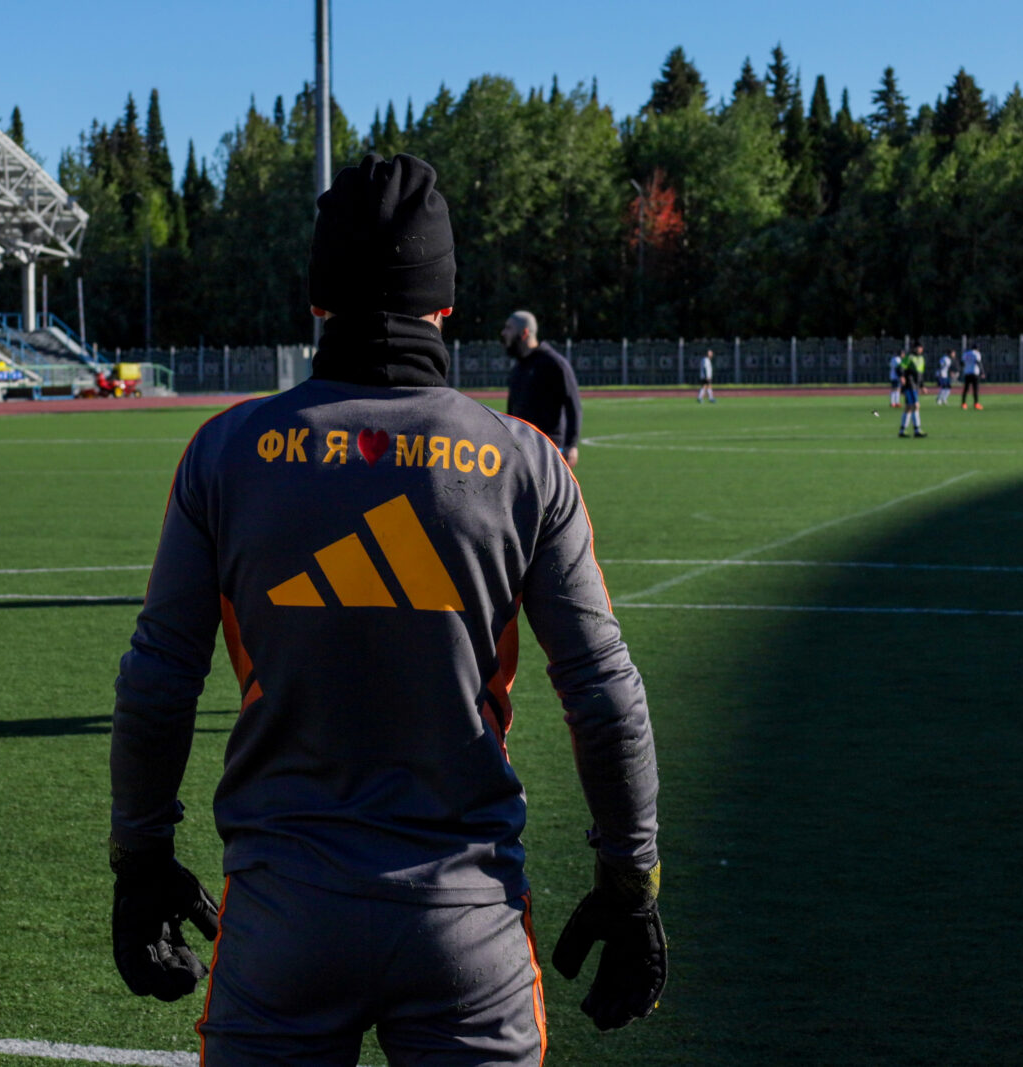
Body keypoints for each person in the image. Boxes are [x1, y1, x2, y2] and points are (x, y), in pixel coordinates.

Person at [108, 153, 665, 1066]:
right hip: (468, 921)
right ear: (445, 303)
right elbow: (604, 693)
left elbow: (158, 679)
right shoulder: (526, 464)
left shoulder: (225, 452)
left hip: (281, 914)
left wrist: (141, 860)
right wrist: (630, 879)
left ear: (317, 300)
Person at [505, 310, 582, 468]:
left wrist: (572, 445)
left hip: (550, 451)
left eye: (509, 328)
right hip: (523, 450)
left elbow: (573, 405)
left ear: (524, 333)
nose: (504, 333)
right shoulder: (518, 368)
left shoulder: (554, 364)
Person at [898, 344, 928, 438]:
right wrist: (902, 376)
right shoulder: (909, 357)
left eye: (921, 347)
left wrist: (922, 386)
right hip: (909, 384)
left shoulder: (921, 358)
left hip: (916, 385)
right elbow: (900, 367)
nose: (920, 349)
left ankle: (902, 431)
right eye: (918, 347)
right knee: (916, 405)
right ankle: (917, 430)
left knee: (909, 407)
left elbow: (920, 374)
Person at [960, 344, 983, 409]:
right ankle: (976, 404)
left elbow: (961, 363)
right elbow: (978, 362)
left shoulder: (966, 353)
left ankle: (963, 404)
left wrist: (967, 366)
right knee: (975, 389)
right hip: (974, 372)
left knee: (966, 389)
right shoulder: (977, 354)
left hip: (967, 373)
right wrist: (982, 371)